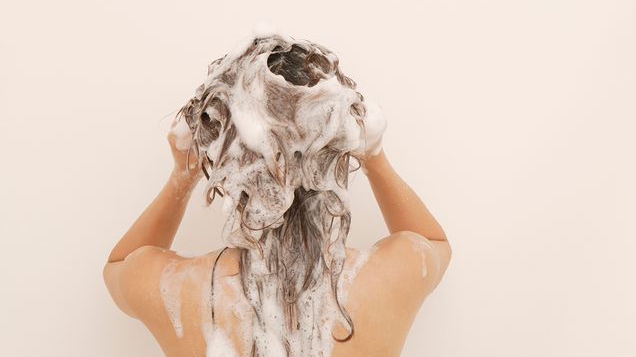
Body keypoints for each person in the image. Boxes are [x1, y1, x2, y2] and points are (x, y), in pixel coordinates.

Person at [103, 34, 452, 357]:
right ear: (339, 147)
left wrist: (182, 176)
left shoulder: (178, 290)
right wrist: (374, 156)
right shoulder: (390, 278)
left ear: (225, 160)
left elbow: (117, 267)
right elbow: (433, 241)